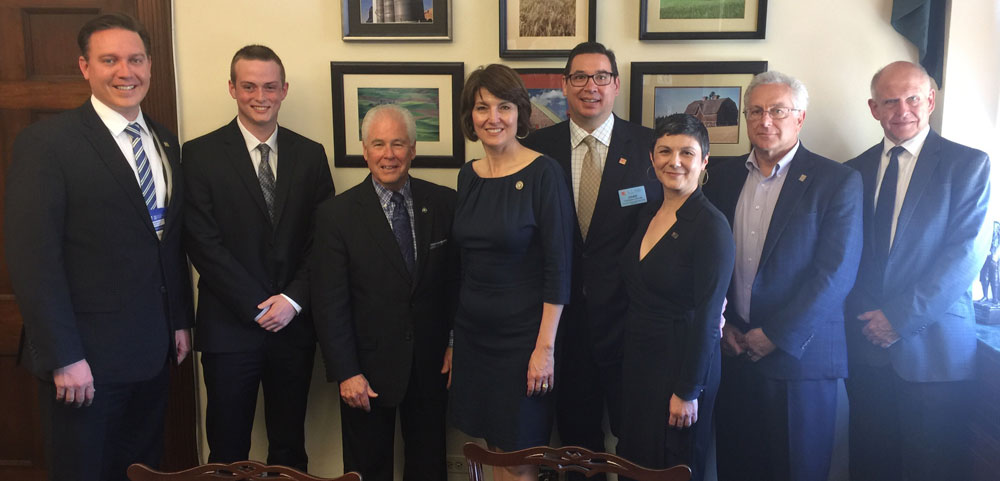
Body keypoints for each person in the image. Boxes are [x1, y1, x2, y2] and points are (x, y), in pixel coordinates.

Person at [4, 12, 193, 481]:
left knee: (139, 471)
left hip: (152, 356)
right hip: (83, 364)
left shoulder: (165, 141)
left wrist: (179, 323)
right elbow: (34, 259)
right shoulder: (48, 143)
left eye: (135, 59)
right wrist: (64, 356)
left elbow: (166, 246)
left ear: (150, 66)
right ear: (85, 67)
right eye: (109, 60)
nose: (125, 72)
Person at [702, 71, 863, 481]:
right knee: (738, 467)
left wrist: (776, 334)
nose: (765, 120)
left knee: (797, 471)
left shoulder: (837, 181)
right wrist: (726, 327)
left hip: (800, 359)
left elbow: (836, 273)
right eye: (755, 110)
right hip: (735, 352)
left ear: (800, 117)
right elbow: (710, 262)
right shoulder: (721, 177)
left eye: (778, 110)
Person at [182, 45, 334, 471]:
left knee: (289, 448)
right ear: (232, 88)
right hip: (229, 328)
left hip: (294, 326)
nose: (260, 96)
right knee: (227, 449)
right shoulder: (198, 155)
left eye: (270, 86)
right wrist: (258, 306)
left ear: (284, 90)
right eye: (248, 86)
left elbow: (322, 241)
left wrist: (291, 301)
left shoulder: (310, 154)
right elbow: (202, 243)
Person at [844, 61, 990, 481]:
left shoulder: (968, 165)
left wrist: (898, 319)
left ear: (930, 100)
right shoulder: (852, 169)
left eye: (912, 98)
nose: (902, 109)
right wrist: (870, 319)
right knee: (871, 465)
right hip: (866, 347)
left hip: (937, 353)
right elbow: (844, 257)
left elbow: (964, 256)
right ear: (874, 108)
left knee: (935, 467)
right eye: (890, 101)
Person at [520, 42, 661, 461]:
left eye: (601, 76)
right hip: (563, 325)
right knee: (577, 447)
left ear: (616, 85)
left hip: (628, 322)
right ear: (565, 85)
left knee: (638, 442)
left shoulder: (650, 147)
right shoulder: (535, 149)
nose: (590, 86)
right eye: (579, 77)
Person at [311, 104, 457, 481]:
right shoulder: (336, 216)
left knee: (428, 467)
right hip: (366, 371)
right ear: (364, 150)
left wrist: (454, 342)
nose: (388, 155)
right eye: (379, 144)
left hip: (430, 365)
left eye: (398, 144)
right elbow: (330, 302)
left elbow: (455, 283)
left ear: (412, 150)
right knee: (367, 469)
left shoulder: (444, 203)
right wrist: (346, 371)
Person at [449, 64, 574, 481]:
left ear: (520, 112)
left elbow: (559, 266)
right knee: (490, 452)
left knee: (519, 460)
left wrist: (545, 349)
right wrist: (453, 340)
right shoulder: (468, 175)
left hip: (524, 343)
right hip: (473, 339)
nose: (493, 118)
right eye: (482, 108)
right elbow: (462, 266)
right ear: (470, 116)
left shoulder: (545, 173)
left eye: (504, 106)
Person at [617, 114, 734, 481]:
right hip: (640, 360)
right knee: (635, 461)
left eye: (687, 152)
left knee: (674, 465)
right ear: (652, 158)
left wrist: (687, 391)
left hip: (682, 364)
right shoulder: (649, 210)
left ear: (704, 160)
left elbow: (708, 317)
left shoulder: (711, 226)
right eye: (665, 151)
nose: (675, 161)